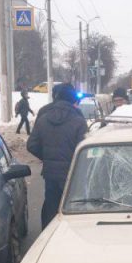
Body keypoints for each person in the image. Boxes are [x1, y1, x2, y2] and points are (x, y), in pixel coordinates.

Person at [27, 82, 87, 229]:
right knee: (73, 208)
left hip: (50, 174)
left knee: (51, 206)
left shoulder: (43, 118)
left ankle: (47, 237)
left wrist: (48, 157)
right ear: (74, 101)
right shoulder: (78, 120)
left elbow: (32, 145)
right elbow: (84, 148)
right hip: (73, 174)